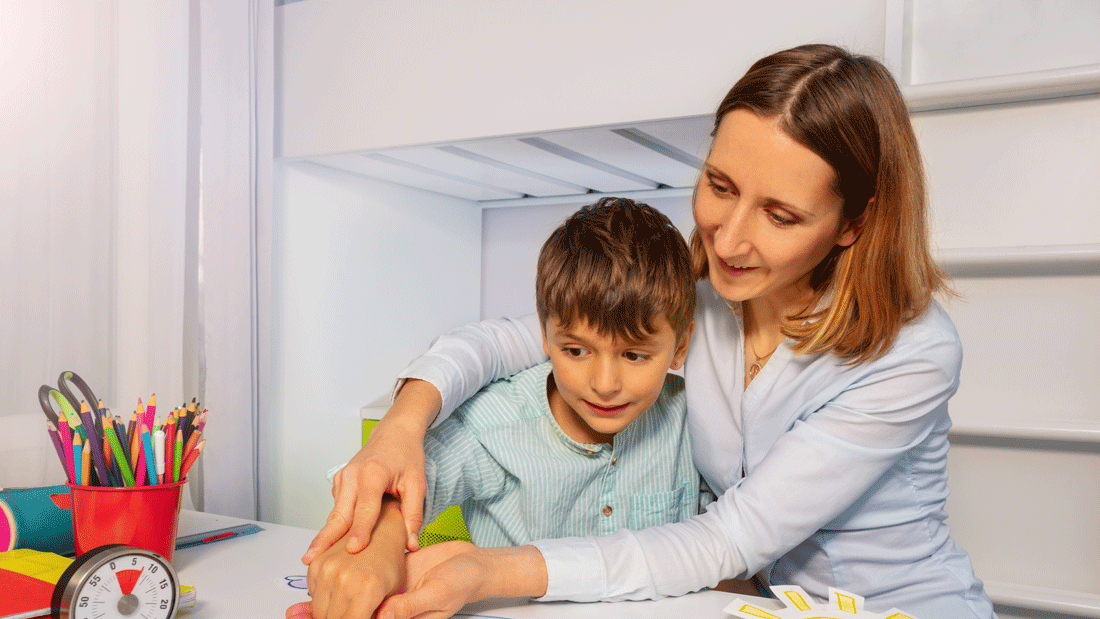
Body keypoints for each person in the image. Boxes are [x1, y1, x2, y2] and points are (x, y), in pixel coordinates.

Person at [302, 44, 997, 619]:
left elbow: (731, 536)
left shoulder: (914, 353)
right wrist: (402, 427)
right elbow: (512, 340)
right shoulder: (697, 303)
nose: (729, 237)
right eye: (720, 185)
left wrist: (492, 570)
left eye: (780, 215)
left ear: (854, 223)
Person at [295, 197, 728, 619]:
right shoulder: (498, 422)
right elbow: (408, 482)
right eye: (576, 350)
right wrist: (379, 546)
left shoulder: (696, 421)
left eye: (634, 356)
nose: (604, 385)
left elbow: (726, 548)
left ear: (681, 346)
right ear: (544, 337)